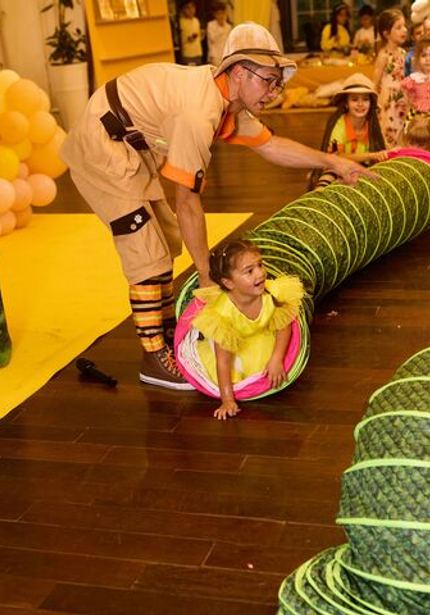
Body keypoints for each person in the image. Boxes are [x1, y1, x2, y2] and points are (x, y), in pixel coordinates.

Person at [60, 22, 376, 391]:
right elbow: (187, 202)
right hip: (102, 147)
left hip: (133, 145)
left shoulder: (228, 100)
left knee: (166, 239)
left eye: (277, 84)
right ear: (239, 72)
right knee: (146, 251)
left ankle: (166, 331)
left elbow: (271, 146)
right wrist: (207, 277)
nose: (274, 92)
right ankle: (153, 356)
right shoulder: (199, 112)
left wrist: (335, 163)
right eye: (268, 81)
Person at [191, 239, 305, 420]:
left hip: (262, 337)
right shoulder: (223, 314)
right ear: (229, 283)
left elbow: (283, 327)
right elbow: (223, 362)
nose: (260, 273)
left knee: (271, 362)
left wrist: (276, 359)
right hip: (235, 345)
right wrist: (227, 400)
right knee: (235, 370)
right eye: (249, 271)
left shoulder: (271, 295)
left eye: (260, 265)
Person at [308, 73, 387, 190]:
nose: (360, 104)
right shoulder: (340, 124)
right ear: (346, 103)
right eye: (354, 99)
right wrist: (372, 155)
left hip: (361, 169)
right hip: (337, 167)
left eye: (365, 99)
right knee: (330, 174)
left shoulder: (372, 125)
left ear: (371, 104)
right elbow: (337, 156)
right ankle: (318, 196)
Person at [373, 8, 408, 147]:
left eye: (404, 26)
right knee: (389, 136)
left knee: (402, 135)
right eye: (398, 27)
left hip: (403, 101)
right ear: (386, 33)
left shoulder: (404, 53)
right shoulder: (383, 56)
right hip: (388, 104)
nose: (404, 30)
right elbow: (375, 83)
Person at [401, 38, 430, 122]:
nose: (428, 59)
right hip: (417, 116)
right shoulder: (414, 79)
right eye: (423, 55)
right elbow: (405, 97)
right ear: (417, 59)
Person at [206, 2, 232, 67]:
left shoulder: (228, 26)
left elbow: (229, 42)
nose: (221, 16)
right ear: (214, 14)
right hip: (214, 56)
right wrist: (220, 27)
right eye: (218, 14)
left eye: (222, 13)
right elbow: (212, 39)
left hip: (226, 55)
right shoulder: (210, 25)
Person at [179, 0, 203, 66]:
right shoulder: (181, 22)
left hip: (198, 52)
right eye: (188, 8)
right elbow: (182, 39)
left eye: (193, 7)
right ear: (183, 9)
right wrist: (191, 37)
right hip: (188, 54)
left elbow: (199, 38)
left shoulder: (196, 20)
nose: (191, 10)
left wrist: (202, 35)